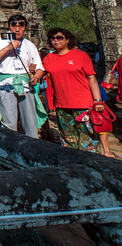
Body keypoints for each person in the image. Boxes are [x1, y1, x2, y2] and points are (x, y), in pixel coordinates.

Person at [42, 28, 113, 157]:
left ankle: (91, 168)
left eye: (59, 38)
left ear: (67, 39)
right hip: (62, 105)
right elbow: (40, 71)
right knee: (68, 141)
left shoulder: (81, 56)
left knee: (88, 140)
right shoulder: (48, 59)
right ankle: (73, 169)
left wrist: (97, 100)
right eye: (53, 38)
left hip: (83, 105)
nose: (56, 41)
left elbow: (91, 79)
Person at [0, 14, 46, 138]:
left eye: (21, 25)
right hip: (6, 85)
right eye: (14, 25)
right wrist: (8, 48)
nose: (17, 29)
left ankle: (33, 148)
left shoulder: (29, 45)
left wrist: (36, 77)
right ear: (9, 26)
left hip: (25, 84)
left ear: (25, 27)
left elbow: (40, 68)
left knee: (30, 121)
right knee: (9, 122)